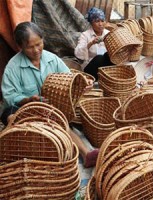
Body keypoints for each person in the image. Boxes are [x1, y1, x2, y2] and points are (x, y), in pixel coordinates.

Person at [1, 21, 98, 168]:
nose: (36, 50)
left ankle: (86, 154)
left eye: (39, 44)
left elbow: (69, 79)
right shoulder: (13, 66)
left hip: (49, 107)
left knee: (57, 121)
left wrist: (82, 85)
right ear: (20, 47)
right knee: (13, 119)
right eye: (30, 47)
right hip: (23, 108)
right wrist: (28, 100)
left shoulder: (52, 59)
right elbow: (9, 97)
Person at [75, 7, 113, 80]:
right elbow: (78, 53)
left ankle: (109, 76)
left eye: (102, 21)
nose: (100, 24)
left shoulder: (108, 34)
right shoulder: (85, 35)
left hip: (105, 68)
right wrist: (91, 43)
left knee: (109, 56)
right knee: (99, 57)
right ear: (91, 23)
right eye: (97, 21)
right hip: (91, 69)